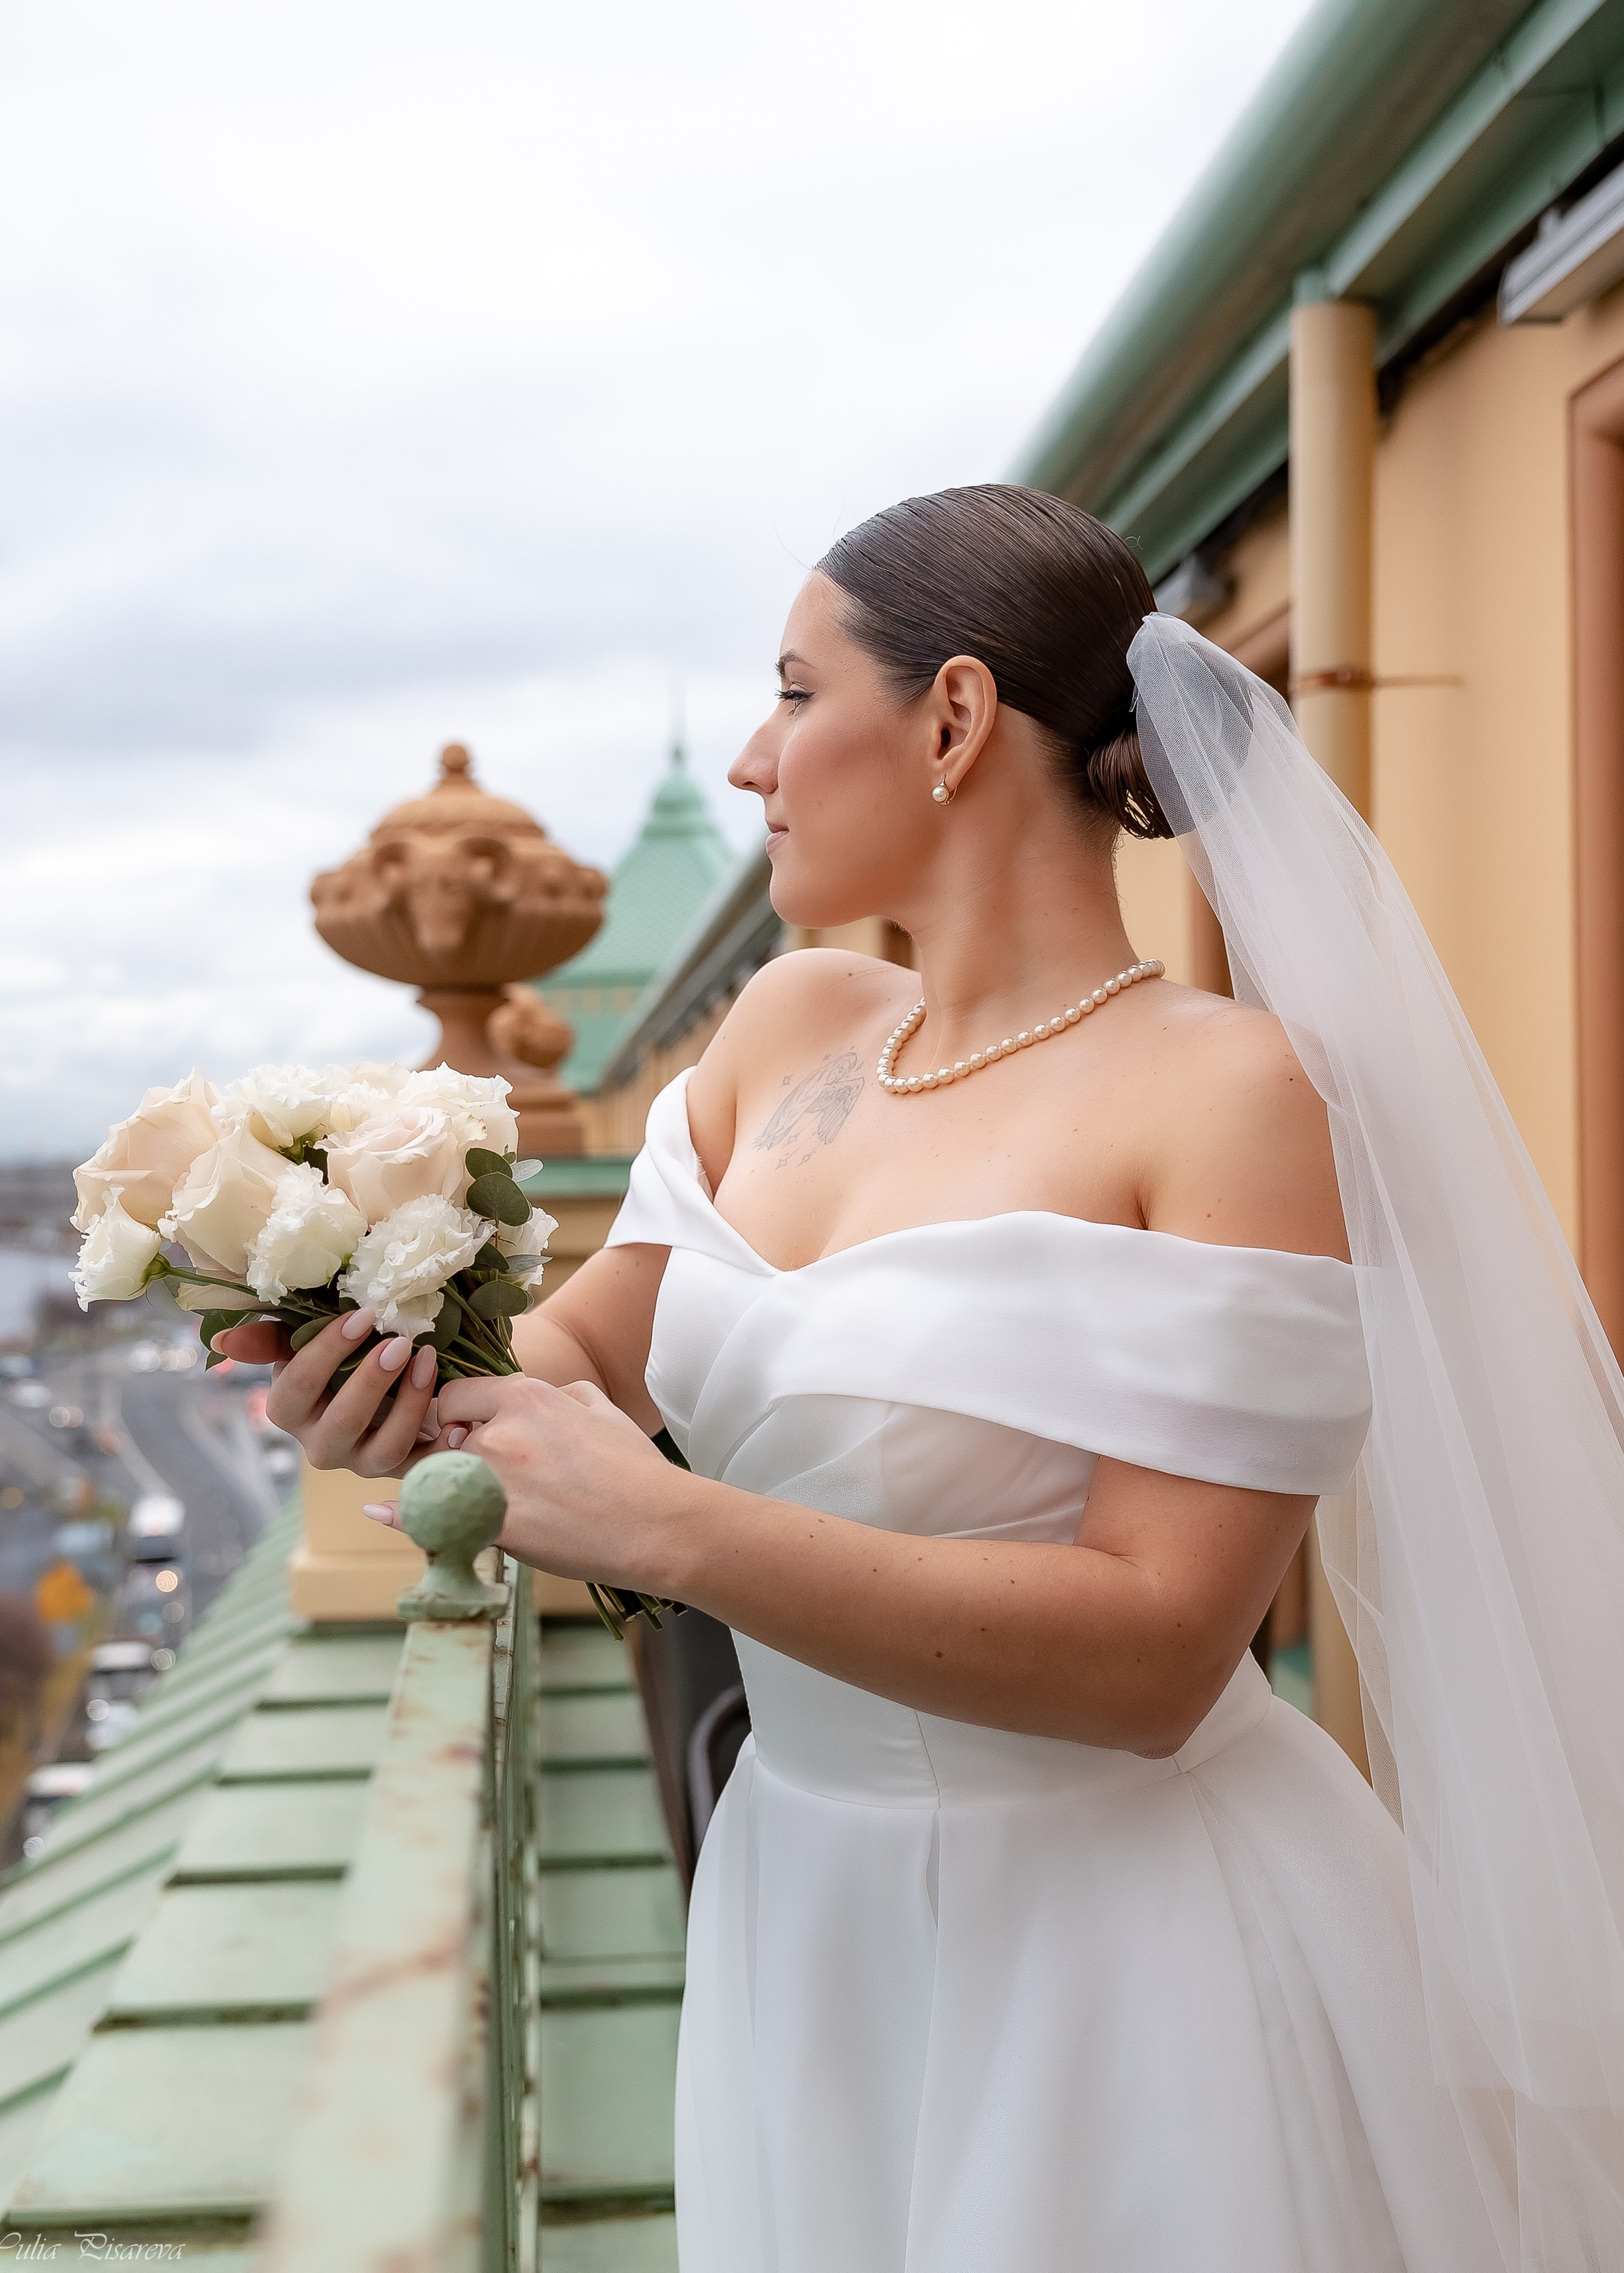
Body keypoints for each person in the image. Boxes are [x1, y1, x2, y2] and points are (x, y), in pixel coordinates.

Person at [230, 486, 1624, 2269]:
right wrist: (384, 1373)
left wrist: (677, 1528)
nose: (753, 760)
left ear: (955, 718)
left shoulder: (1231, 1099)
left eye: (799, 692)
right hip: (798, 1905)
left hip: (1125, 1949)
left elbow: (1160, 1645)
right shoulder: (787, 1024)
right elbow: (587, 1349)